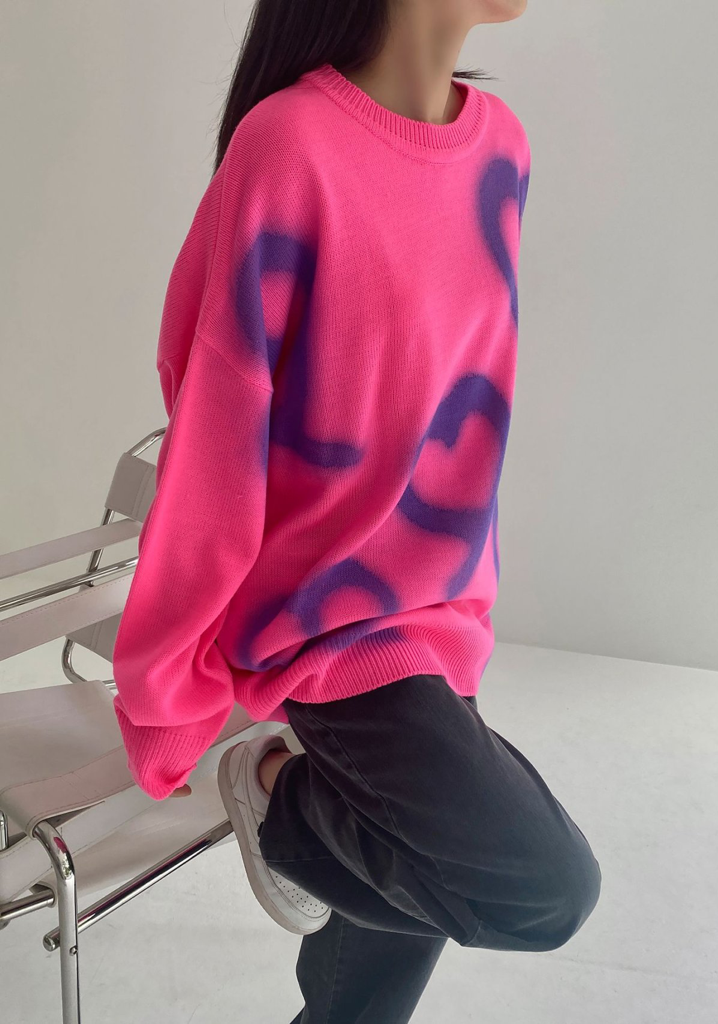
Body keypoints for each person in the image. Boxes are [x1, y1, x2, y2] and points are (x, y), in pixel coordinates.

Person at [111, 1, 602, 1020]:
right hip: (325, 628)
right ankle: (277, 794)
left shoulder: (501, 150)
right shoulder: (290, 148)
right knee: (543, 889)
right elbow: (214, 431)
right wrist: (168, 684)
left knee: (376, 979)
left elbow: (468, 403)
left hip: (440, 616)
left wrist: (463, 596)